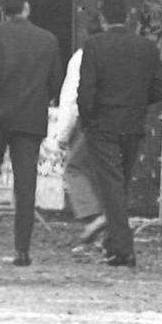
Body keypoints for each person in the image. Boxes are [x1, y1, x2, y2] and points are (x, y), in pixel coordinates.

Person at [0, 0, 63, 268]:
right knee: (26, 185)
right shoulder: (47, 40)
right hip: (30, 120)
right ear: (26, 8)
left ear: (2, 10)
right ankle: (22, 250)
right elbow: (55, 82)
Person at [77, 0, 162, 269]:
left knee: (111, 188)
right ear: (127, 16)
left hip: (103, 126)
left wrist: (88, 119)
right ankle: (112, 244)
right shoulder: (147, 47)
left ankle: (123, 249)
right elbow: (161, 90)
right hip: (132, 125)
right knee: (120, 187)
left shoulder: (94, 46)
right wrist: (137, 104)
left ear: (103, 18)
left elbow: (87, 90)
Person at [43, 14, 108, 250]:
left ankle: (92, 217)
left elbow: (70, 98)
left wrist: (61, 133)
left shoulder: (81, 57)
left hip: (88, 121)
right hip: (119, 121)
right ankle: (106, 232)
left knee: (75, 168)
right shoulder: (120, 55)